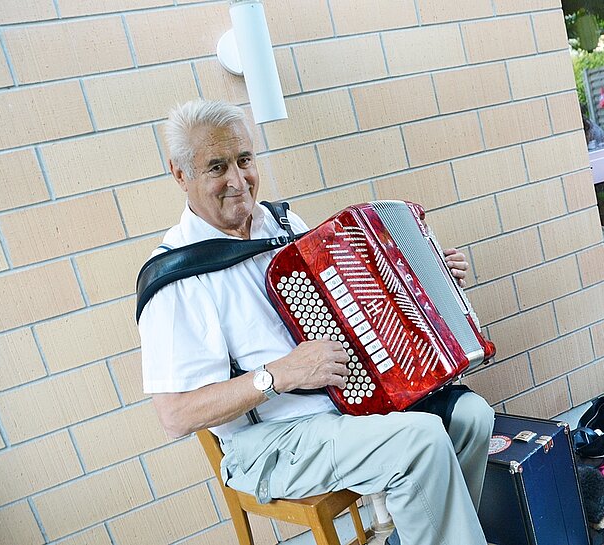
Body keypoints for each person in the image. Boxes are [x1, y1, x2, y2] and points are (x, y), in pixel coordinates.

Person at [139, 99, 493, 545]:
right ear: (180, 174)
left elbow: (354, 303)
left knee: (471, 416)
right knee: (420, 441)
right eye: (216, 167)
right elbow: (175, 415)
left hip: (341, 405)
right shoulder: (175, 278)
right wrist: (279, 375)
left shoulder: (280, 224)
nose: (237, 179)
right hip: (270, 441)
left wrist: (426, 278)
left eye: (244, 160)